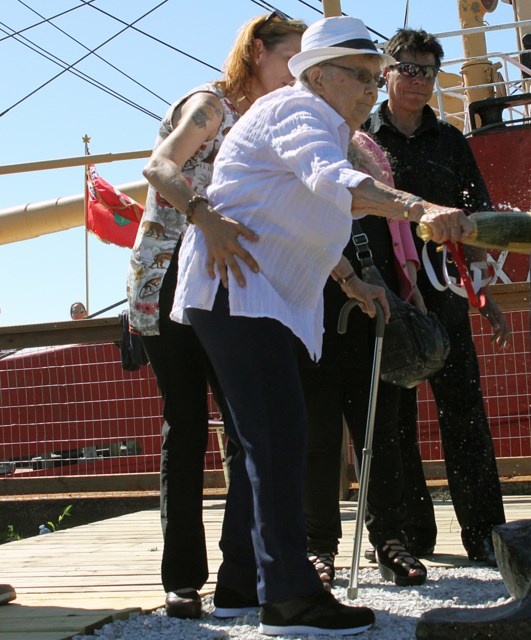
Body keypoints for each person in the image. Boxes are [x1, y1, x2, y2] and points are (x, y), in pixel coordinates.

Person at [169, 16, 473, 636]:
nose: (371, 89)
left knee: (274, 440)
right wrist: (417, 207)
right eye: (360, 77)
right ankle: (288, 598)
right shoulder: (300, 112)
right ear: (320, 73)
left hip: (256, 297)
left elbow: (317, 203)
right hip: (240, 296)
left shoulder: (320, 123)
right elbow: (333, 184)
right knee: (279, 442)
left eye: (373, 77)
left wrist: (351, 279)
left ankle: (242, 591)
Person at [126, 11, 307, 619]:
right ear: (258, 50)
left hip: (233, 283)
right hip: (174, 272)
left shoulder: (272, 121)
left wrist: (346, 276)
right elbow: (159, 166)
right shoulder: (210, 105)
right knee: (186, 426)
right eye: (292, 57)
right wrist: (203, 214)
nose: (299, 73)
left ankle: (240, 575)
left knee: (248, 427)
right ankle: (182, 578)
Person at [365, 28, 509, 567]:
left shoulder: (451, 142)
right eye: (408, 68)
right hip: (390, 300)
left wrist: (484, 298)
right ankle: (412, 539)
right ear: (387, 71)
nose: (418, 80)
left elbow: (477, 227)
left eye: (427, 71)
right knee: (397, 422)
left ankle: (486, 537)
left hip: (447, 297)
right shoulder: (361, 138)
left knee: (466, 414)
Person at [301, 131, 427, 589]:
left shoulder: (367, 151)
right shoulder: (302, 151)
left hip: (376, 315)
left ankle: (389, 538)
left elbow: (397, 231)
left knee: (381, 435)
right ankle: (318, 545)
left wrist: (410, 286)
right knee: (317, 440)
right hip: (314, 318)